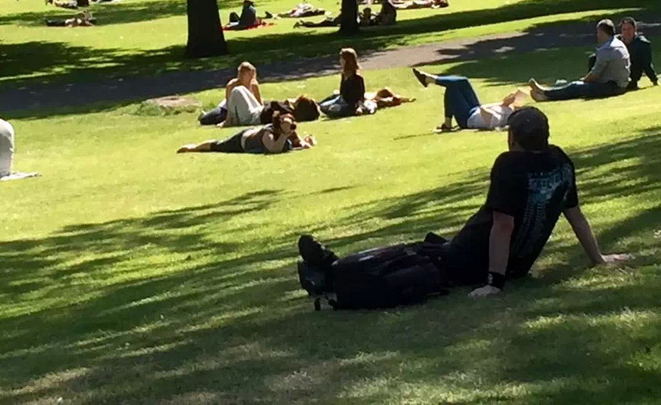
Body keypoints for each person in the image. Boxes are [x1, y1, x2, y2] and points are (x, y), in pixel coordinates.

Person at [299, 108, 630, 298]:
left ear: (513, 137)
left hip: (469, 257)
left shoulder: (510, 164)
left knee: (405, 259)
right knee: (419, 253)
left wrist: (494, 283)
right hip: (505, 262)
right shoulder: (561, 162)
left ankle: (331, 271)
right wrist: (597, 258)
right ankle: (330, 267)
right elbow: (575, 215)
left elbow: (502, 226)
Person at [530, 19, 630, 101]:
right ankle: (546, 92)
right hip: (620, 84)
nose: (597, 35)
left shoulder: (607, 49)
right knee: (574, 85)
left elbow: (595, 74)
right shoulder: (619, 44)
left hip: (612, 87)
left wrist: (583, 81)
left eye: (598, 32)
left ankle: (545, 94)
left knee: (575, 86)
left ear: (602, 32)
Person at [412, 70, 529, 132]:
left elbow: (484, 110)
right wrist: (506, 103)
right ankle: (430, 79)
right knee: (463, 81)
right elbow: (523, 92)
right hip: (474, 108)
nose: (519, 107)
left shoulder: (500, 120)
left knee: (452, 88)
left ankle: (430, 79)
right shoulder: (509, 110)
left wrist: (502, 104)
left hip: (467, 119)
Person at [178, 112, 315, 154]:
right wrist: (284, 135)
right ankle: (194, 148)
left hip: (252, 135)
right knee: (218, 145)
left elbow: (302, 144)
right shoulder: (268, 133)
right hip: (242, 141)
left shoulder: (290, 130)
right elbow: (274, 149)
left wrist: (305, 142)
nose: (290, 126)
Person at [319, 48, 372, 118]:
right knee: (323, 106)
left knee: (334, 109)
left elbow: (359, 97)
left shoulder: (357, 78)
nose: (340, 61)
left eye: (342, 59)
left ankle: (350, 111)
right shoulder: (344, 75)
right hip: (341, 100)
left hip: (350, 104)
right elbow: (342, 92)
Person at [618, 17, 657, 89]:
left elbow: (646, 65)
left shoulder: (642, 44)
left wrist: (654, 80)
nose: (627, 32)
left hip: (631, 79)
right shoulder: (616, 43)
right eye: (624, 29)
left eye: (629, 29)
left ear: (634, 29)